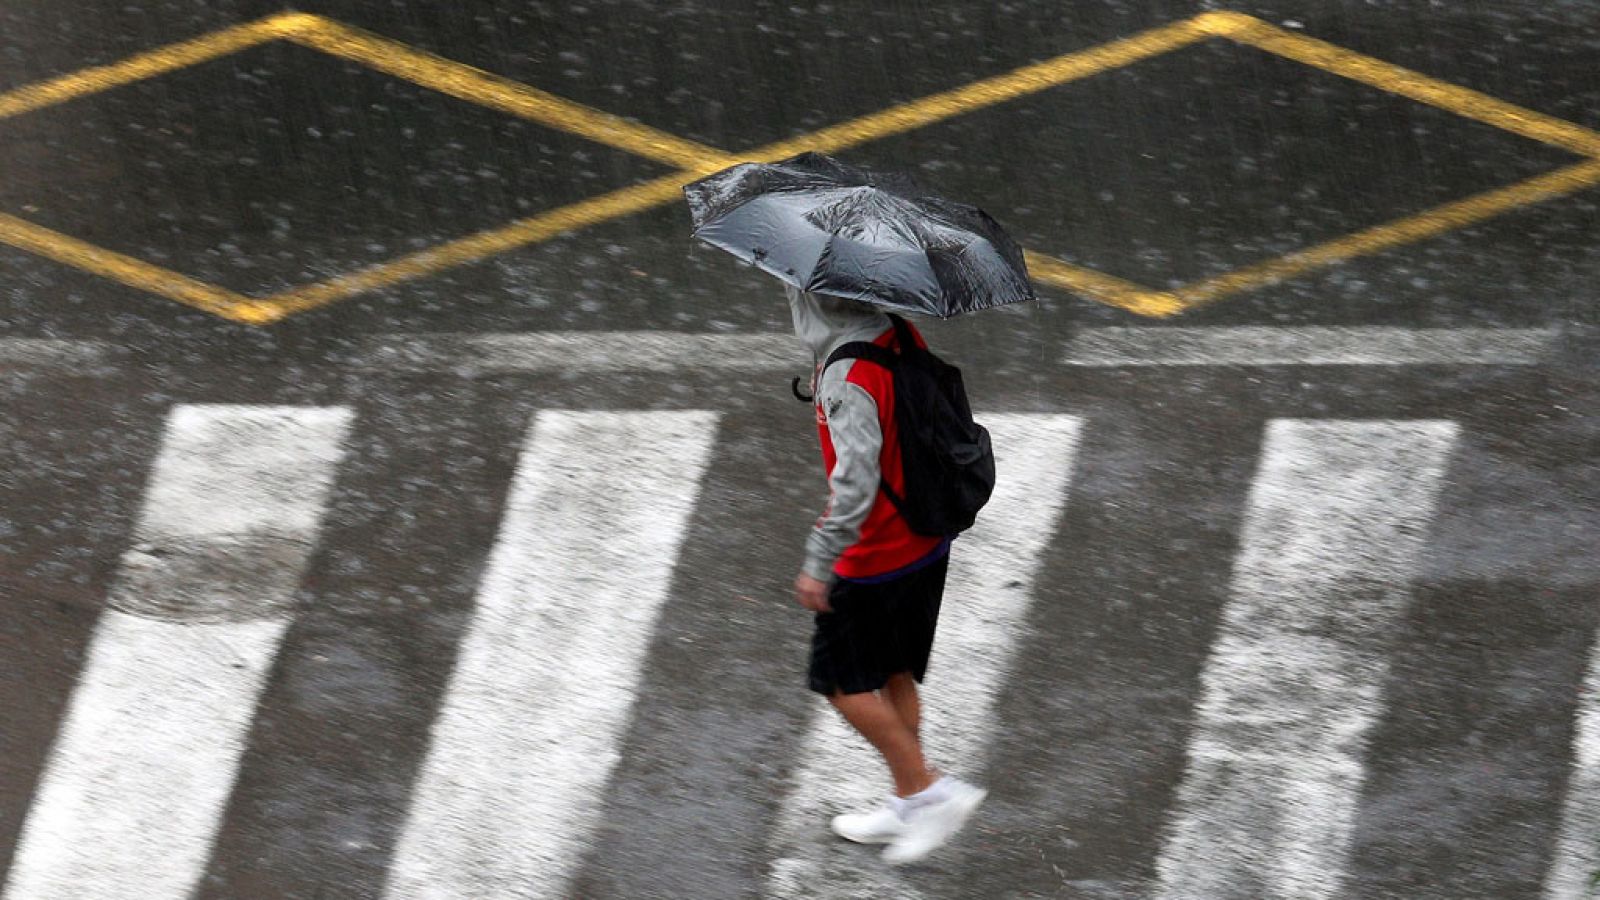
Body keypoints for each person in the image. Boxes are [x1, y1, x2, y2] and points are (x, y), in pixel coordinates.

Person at [786, 284, 986, 865]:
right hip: (924, 540)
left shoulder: (847, 375)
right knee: (895, 673)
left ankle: (929, 790)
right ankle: (909, 797)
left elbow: (855, 484)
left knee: (843, 686)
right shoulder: (892, 331)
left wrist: (820, 562)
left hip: (877, 555)